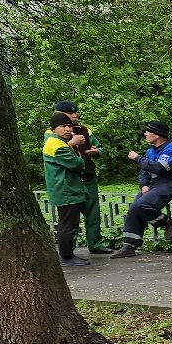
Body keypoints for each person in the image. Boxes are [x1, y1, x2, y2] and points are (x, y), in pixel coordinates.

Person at [113, 121, 172, 258]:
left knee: (141, 205)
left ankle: (165, 222)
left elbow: (159, 168)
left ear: (157, 135)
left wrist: (137, 158)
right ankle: (129, 246)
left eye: (148, 132)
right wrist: (143, 185)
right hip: (154, 186)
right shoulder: (150, 151)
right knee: (133, 209)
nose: (145, 134)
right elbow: (144, 171)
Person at [54, 101, 110, 255]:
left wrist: (95, 151)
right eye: (70, 113)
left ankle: (95, 244)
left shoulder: (84, 130)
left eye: (75, 113)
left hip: (88, 176)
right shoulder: (52, 132)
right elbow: (55, 152)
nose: (75, 116)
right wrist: (72, 143)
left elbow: (99, 147)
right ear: (58, 114)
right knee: (70, 216)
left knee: (93, 212)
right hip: (69, 180)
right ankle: (68, 250)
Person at [42, 113, 94, 267]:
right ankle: (66, 257)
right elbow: (78, 164)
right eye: (62, 126)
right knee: (68, 224)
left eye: (69, 126)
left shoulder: (59, 142)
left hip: (66, 189)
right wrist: (80, 157)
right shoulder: (57, 146)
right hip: (66, 190)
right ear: (54, 129)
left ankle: (68, 255)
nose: (67, 129)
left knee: (68, 223)